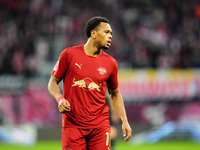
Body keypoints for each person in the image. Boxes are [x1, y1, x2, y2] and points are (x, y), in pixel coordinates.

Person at [48, 16, 132, 150]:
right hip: (73, 124)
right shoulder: (69, 54)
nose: (110, 36)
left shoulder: (111, 63)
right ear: (93, 33)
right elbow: (52, 82)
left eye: (111, 34)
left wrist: (125, 121)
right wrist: (60, 99)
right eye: (106, 32)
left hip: (100, 125)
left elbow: (115, 93)